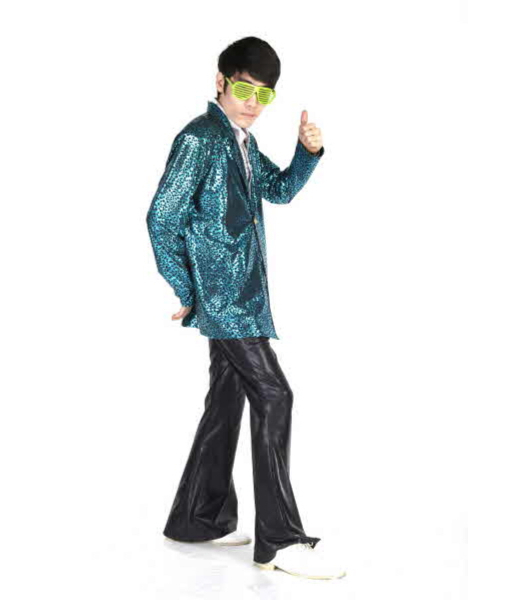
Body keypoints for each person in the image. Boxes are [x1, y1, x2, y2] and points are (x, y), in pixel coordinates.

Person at [146, 36, 345, 580]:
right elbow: (162, 217)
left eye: (264, 95)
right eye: (243, 90)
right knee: (275, 394)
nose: (253, 103)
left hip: (247, 297)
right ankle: (279, 539)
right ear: (220, 82)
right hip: (225, 301)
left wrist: (306, 153)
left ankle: (197, 517)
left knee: (226, 398)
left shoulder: (240, 141)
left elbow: (278, 190)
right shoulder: (200, 139)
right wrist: (188, 289)